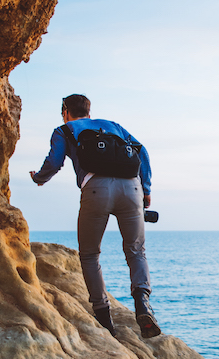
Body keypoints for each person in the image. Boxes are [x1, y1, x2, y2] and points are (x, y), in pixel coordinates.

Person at [30, 94, 160, 339]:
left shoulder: (64, 129)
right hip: (132, 190)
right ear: (90, 113)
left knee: (90, 254)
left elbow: (54, 162)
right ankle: (143, 304)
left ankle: (103, 316)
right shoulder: (113, 126)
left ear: (65, 111)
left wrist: (38, 178)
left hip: (96, 189)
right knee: (136, 251)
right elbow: (143, 154)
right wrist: (147, 189)